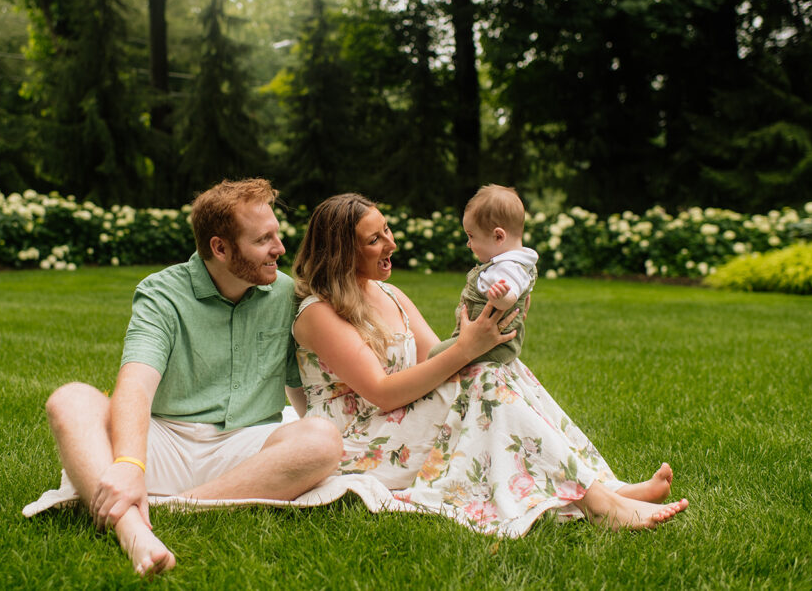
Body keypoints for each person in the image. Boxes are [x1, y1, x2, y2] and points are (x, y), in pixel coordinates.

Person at [291, 193, 687, 537]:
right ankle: (600, 502)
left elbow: (436, 355)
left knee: (499, 369)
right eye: (374, 239)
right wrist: (467, 349)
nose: (391, 243)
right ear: (342, 252)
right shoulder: (319, 313)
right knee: (484, 375)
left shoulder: (388, 292)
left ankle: (601, 488)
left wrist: (492, 330)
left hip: (401, 414)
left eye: (387, 230)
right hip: (362, 437)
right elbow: (379, 392)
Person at [34, 179, 342, 576]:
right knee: (69, 399)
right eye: (264, 239)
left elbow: (300, 384)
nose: (280, 249)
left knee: (322, 438)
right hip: (164, 442)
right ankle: (131, 530)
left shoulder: (285, 293)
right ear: (220, 248)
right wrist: (130, 463)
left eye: (277, 235)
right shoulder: (161, 293)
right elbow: (136, 385)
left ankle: (174, 507)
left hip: (245, 453)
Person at [429, 184, 539, 365]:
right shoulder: (511, 263)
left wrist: (501, 297)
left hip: (494, 345)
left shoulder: (509, 267)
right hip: (484, 340)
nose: (468, 244)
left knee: (436, 357)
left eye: (471, 236)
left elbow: (510, 296)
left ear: (498, 237)